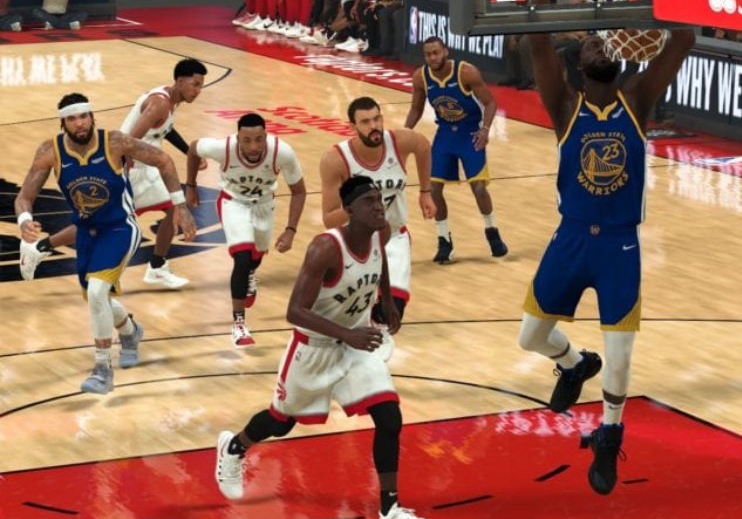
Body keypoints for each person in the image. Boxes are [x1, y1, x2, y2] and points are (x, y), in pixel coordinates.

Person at [519, 0, 695, 494]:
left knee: (621, 357)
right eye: (590, 44)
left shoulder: (637, 100)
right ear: (578, 65)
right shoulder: (564, 105)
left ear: (618, 56)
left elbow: (684, 38)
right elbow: (539, 42)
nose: (598, 46)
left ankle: (610, 432)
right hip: (571, 237)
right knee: (531, 337)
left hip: (620, 244)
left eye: (605, 42)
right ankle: (573, 364)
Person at [214, 176, 429, 519]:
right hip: (313, 348)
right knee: (281, 421)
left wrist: (387, 299)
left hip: (356, 345)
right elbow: (295, 311)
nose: (379, 206)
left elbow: (380, 262)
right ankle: (234, 447)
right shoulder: (325, 248)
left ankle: (389, 513)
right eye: (369, 201)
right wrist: (347, 333)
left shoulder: (381, 232)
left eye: (380, 199)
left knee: (389, 417)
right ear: (349, 210)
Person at [15, 93, 197, 393]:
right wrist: (24, 221)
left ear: (91, 117)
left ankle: (102, 369)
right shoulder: (50, 151)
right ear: (63, 123)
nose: (79, 123)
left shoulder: (114, 142)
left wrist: (179, 205)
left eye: (83, 116)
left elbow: (163, 160)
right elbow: (24, 197)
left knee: (97, 292)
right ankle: (131, 332)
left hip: (120, 228)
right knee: (98, 299)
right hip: (86, 233)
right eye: (72, 119)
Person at [21, 60, 208, 285]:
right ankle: (40, 248)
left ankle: (158, 266)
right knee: (100, 222)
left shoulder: (168, 100)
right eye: (195, 84)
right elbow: (131, 140)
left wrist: (187, 151)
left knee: (171, 208)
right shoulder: (160, 103)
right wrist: (120, 171)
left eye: (200, 85)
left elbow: (164, 128)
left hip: (144, 169)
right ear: (179, 81)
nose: (198, 90)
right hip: (131, 170)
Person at [186, 113, 306, 347]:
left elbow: (299, 191)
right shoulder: (223, 148)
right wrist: (191, 184)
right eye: (247, 140)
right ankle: (239, 324)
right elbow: (193, 149)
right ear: (237, 138)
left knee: (254, 258)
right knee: (242, 257)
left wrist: (291, 229)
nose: (253, 147)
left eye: (259, 139)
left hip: (264, 205)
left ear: (266, 136)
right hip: (234, 203)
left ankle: (251, 272)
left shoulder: (282, 152)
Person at [318, 97, 436, 325]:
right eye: (365, 122)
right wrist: (356, 207)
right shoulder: (335, 159)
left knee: (391, 313)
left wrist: (425, 191)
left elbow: (423, 146)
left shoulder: (399, 141)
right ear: (352, 127)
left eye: (377, 119)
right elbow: (329, 219)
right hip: (355, 243)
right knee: (347, 316)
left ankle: (377, 338)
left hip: (394, 236)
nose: (374, 126)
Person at [404, 37, 507, 263]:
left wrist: (485, 130)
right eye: (428, 54)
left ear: (446, 51)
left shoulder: (466, 72)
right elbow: (416, 109)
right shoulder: (421, 77)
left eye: (436, 52)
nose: (432, 57)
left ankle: (492, 232)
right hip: (445, 135)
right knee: (433, 188)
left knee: (479, 188)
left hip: (470, 134)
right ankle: (444, 241)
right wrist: (403, 133)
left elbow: (490, 103)